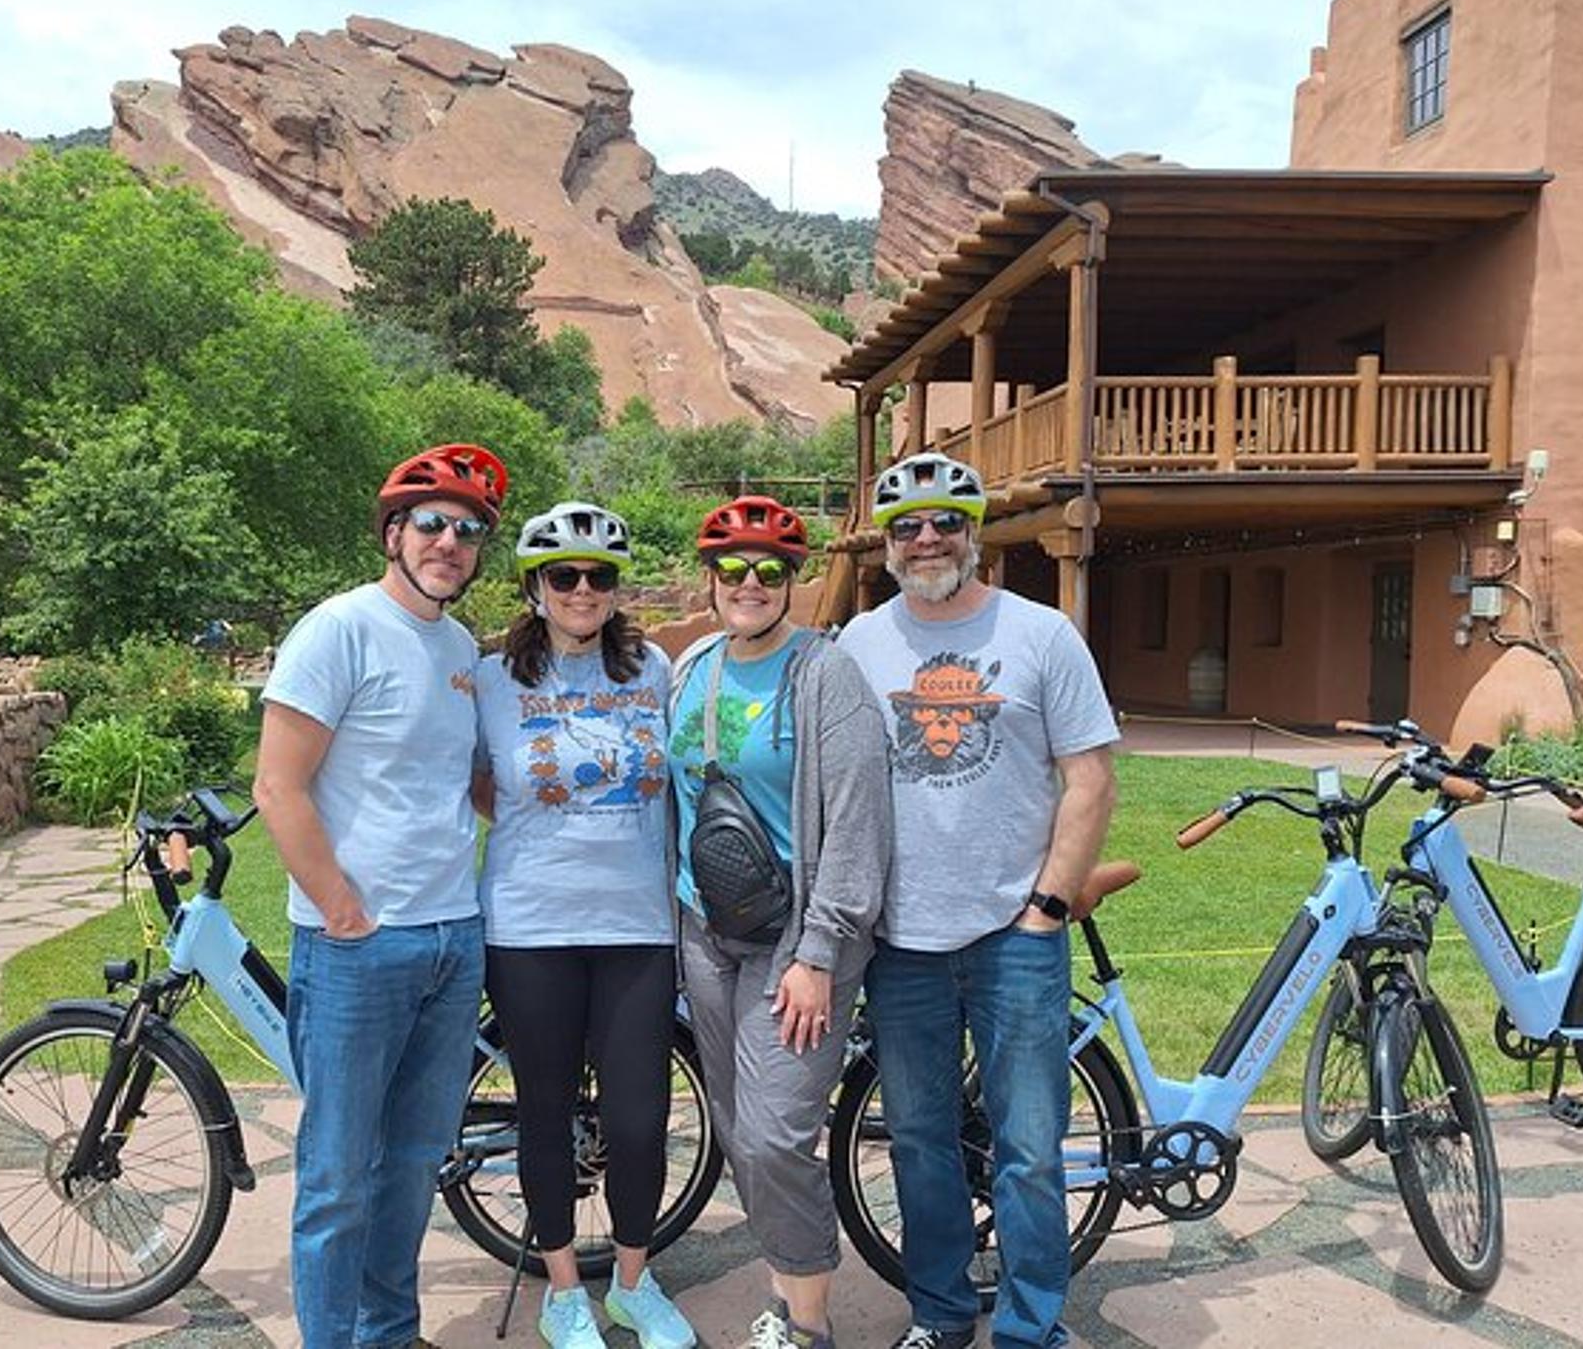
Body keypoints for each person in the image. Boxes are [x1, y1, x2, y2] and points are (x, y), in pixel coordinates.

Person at [836, 455, 1119, 1349]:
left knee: (1029, 1147)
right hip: (901, 937)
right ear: (887, 544)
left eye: (945, 522)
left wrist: (1047, 906)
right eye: (907, 525)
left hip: (1014, 934)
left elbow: (1090, 778)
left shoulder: (1042, 634)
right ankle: (941, 1312)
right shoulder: (858, 643)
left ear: (974, 532)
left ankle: (1030, 1326)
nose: (927, 539)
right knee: (918, 1140)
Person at [252, 442, 508, 1349]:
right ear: (394, 532)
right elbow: (278, 785)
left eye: (468, 530)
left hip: (451, 938)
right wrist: (342, 911)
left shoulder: (461, 650)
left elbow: (468, 781)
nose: (450, 542)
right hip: (358, 949)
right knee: (337, 1176)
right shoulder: (339, 629)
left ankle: (389, 1333)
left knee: (412, 1162)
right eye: (431, 522)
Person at [469, 501, 696, 1349]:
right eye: (563, 574)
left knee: (638, 1118)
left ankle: (634, 1282)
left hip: (637, 923)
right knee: (546, 1111)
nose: (582, 588)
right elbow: (478, 781)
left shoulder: (652, 668)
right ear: (535, 586)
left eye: (599, 575)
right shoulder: (493, 678)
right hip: (530, 927)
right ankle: (564, 1291)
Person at [669, 496, 892, 1349]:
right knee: (737, 1127)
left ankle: (807, 1323)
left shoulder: (826, 675)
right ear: (711, 578)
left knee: (774, 1135)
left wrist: (820, 951)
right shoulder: (695, 666)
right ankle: (782, 1288)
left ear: (793, 579)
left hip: (796, 940)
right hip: (705, 929)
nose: (750, 583)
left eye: (770, 569)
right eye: (732, 568)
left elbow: (859, 823)